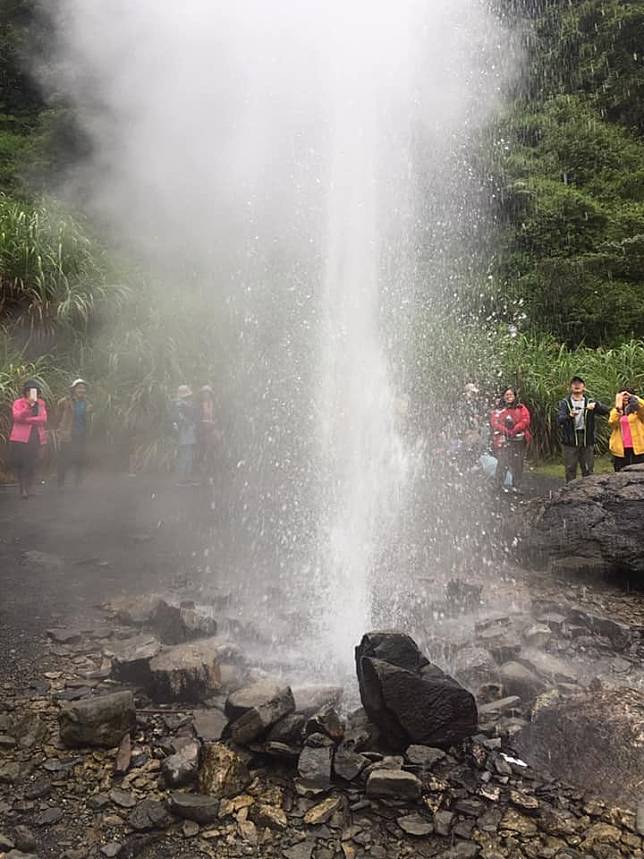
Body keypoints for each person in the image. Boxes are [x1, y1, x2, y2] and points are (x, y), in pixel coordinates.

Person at [557, 375, 610, 482]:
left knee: (587, 469)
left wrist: (596, 406)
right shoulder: (565, 403)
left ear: (584, 387)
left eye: (579, 383)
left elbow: (606, 411)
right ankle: (569, 493)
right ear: (570, 387)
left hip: (587, 439)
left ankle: (589, 493)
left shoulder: (590, 401)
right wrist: (570, 416)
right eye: (574, 383)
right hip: (570, 440)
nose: (577, 385)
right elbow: (559, 420)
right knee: (570, 468)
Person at [9, 379, 48, 498]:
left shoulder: (41, 403)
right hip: (21, 438)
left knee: (32, 463)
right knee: (22, 463)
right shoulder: (19, 403)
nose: (32, 393)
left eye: (34, 390)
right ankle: (22, 489)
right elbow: (17, 417)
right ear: (25, 391)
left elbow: (43, 419)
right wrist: (28, 406)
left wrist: (28, 420)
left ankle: (29, 488)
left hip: (36, 437)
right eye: (30, 390)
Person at [489, 386, 532, 492]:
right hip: (504, 440)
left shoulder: (521, 408)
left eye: (511, 395)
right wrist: (506, 431)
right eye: (506, 395)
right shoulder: (499, 410)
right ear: (503, 397)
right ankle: (498, 485)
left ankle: (517, 486)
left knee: (518, 463)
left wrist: (516, 429)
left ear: (515, 396)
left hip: (519, 440)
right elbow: (494, 422)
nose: (509, 397)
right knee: (502, 462)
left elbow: (526, 420)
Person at [56, 378, 93, 488]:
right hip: (67, 435)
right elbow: (57, 415)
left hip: (81, 434)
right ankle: (61, 483)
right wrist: (60, 428)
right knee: (64, 459)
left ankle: (78, 483)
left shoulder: (87, 403)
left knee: (80, 459)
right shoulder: (65, 401)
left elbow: (88, 419)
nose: (82, 390)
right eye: (79, 388)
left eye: (83, 388)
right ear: (73, 389)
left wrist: (89, 413)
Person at [608, 388, 644, 471]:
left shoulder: (638, 411)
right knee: (620, 474)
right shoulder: (615, 411)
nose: (625, 397)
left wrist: (636, 399)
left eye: (627, 396)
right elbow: (612, 423)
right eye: (622, 396)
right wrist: (618, 409)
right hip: (620, 450)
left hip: (639, 449)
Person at [171, 385, 197, 485]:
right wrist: (186, 423)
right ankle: (182, 478)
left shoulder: (185, 404)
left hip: (188, 431)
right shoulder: (178, 405)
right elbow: (178, 420)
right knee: (184, 455)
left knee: (188, 455)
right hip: (183, 432)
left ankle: (187, 477)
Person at [197, 385, 217, 478]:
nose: (206, 395)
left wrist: (215, 422)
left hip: (212, 430)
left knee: (212, 451)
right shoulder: (199, 405)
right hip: (203, 431)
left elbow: (217, 416)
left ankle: (211, 471)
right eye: (204, 393)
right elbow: (197, 417)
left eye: (207, 393)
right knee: (202, 450)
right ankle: (202, 473)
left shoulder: (214, 404)